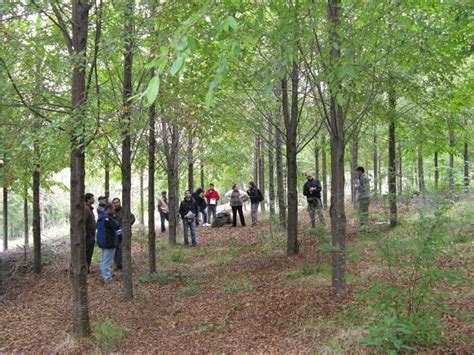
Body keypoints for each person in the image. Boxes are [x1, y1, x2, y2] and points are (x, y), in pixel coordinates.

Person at [96, 203, 120, 284]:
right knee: (107, 262)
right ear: (109, 209)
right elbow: (116, 225)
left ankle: (104, 276)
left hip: (103, 242)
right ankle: (107, 279)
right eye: (113, 208)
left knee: (104, 260)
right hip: (108, 243)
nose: (114, 210)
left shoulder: (100, 217)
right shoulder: (107, 219)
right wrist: (114, 217)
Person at [111, 197, 136, 270]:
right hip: (115, 234)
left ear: (120, 203)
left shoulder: (124, 210)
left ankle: (123, 264)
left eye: (117, 202)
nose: (116, 204)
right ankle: (117, 264)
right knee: (116, 249)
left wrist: (127, 225)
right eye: (114, 203)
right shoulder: (112, 212)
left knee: (122, 248)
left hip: (125, 234)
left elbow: (132, 218)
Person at [84, 193, 96, 273]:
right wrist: (87, 234)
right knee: (87, 253)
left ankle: (87, 269)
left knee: (89, 253)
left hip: (91, 235)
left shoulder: (89, 208)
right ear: (88, 199)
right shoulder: (86, 209)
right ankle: (85, 269)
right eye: (92, 198)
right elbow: (83, 222)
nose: (93, 199)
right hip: (88, 236)